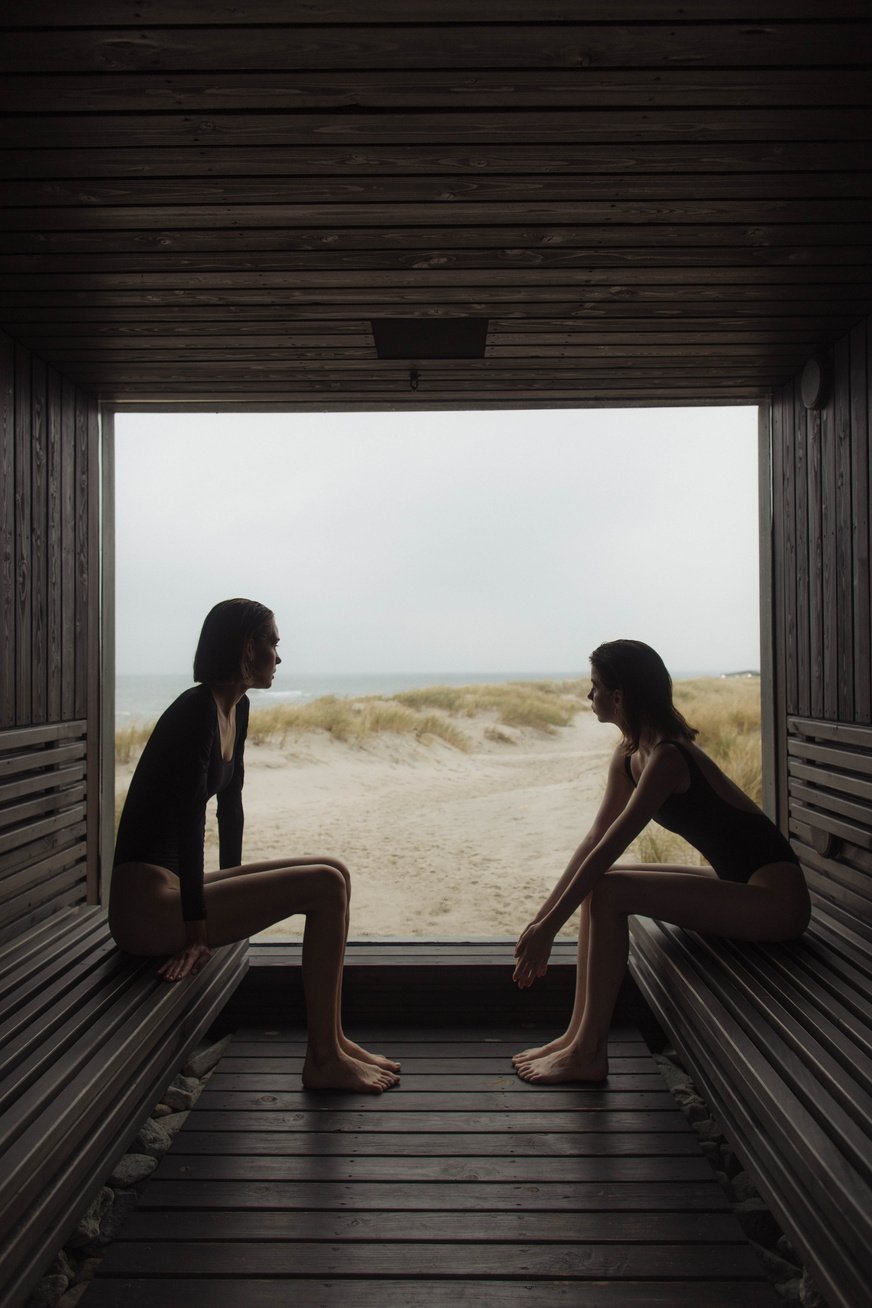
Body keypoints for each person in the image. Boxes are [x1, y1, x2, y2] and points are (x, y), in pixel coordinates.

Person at [110, 598, 399, 1094]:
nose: (279, 657)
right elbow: (188, 823)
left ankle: (334, 1038)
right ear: (249, 648)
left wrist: (232, 892)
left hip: (176, 891)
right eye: (274, 643)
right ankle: (323, 1060)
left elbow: (230, 807)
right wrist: (201, 932)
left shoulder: (234, 707)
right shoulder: (195, 710)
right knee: (326, 887)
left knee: (335, 870)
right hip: (145, 910)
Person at [512, 639, 810, 1085]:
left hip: (777, 902)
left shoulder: (668, 758)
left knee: (610, 887)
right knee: (602, 883)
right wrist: (539, 923)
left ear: (619, 697)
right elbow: (593, 841)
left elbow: (610, 847)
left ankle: (590, 1053)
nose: (587, 696)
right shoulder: (630, 756)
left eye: (594, 687)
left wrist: (551, 929)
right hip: (741, 885)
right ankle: (576, 1037)